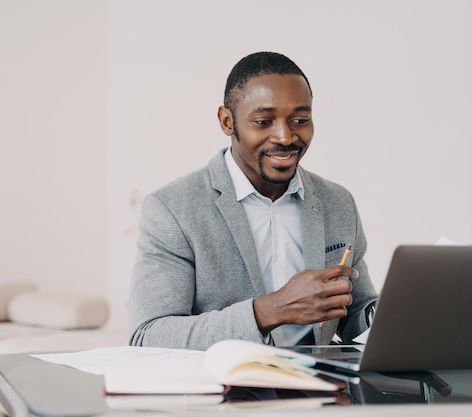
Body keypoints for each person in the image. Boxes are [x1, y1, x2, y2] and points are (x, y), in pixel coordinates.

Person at [128, 51, 377, 349]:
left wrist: (393, 312)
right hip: (224, 390)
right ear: (227, 121)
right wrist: (271, 310)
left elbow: (353, 315)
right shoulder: (172, 209)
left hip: (319, 386)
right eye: (263, 121)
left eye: (300, 119)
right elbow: (149, 335)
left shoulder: (337, 201)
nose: (285, 137)